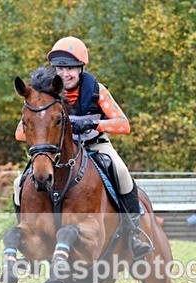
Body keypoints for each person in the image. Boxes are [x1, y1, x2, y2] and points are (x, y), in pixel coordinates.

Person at [14, 36, 153, 259]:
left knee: (120, 171)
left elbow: (124, 124)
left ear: (81, 69)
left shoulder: (96, 90)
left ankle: (134, 233)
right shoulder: (44, 94)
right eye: (60, 67)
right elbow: (20, 133)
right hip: (57, 154)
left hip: (94, 145)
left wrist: (92, 122)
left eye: (70, 68)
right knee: (18, 182)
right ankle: (26, 234)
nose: (64, 73)